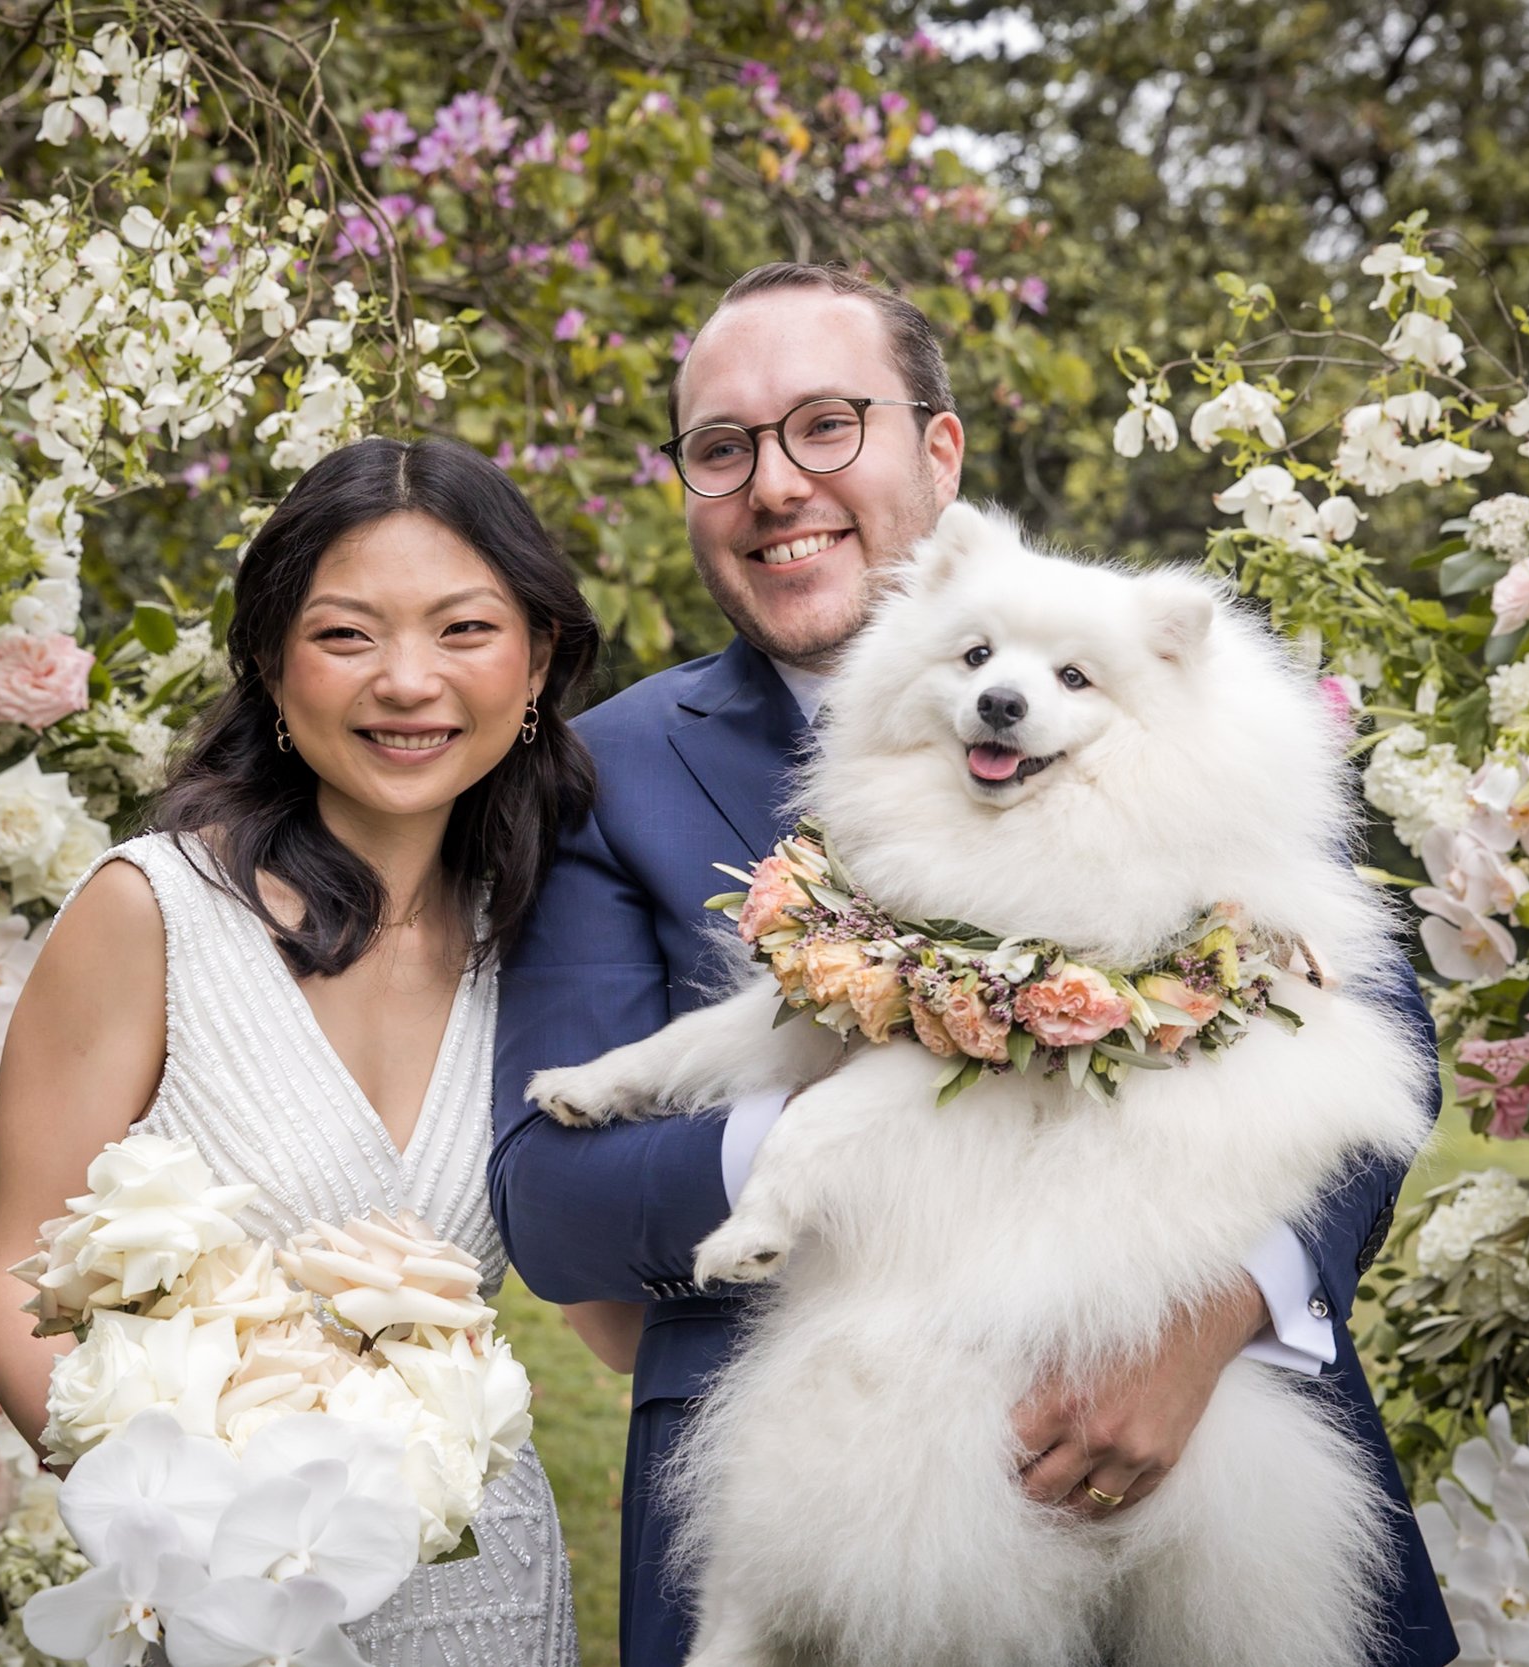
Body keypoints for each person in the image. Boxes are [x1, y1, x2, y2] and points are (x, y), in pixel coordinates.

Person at [487, 262, 1456, 1667]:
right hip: (824, 1515)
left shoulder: (1169, 709)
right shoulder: (602, 767)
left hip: (1198, 1499)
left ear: (937, 450)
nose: (776, 483)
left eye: (829, 423)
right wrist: (854, 1109)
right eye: (724, 446)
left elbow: (1375, 1033)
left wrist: (1216, 1306)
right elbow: (551, 1199)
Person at [0, 436, 600, 1667]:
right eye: (347, 633)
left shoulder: (553, 928)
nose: (407, 680)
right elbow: (6, 1274)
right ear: (268, 663)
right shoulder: (151, 910)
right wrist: (190, 1539)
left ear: (538, 660)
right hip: (221, 1607)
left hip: (485, 1583)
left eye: (464, 629)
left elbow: (613, 1282)